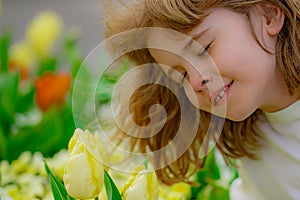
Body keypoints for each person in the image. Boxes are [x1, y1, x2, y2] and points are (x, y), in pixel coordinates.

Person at [102, 0, 300, 199]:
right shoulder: (250, 137)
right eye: (181, 76)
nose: (197, 81)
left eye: (204, 49)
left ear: (268, 15)